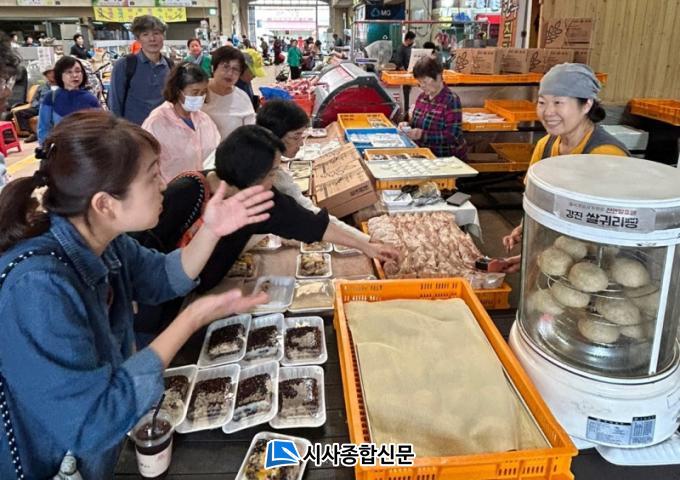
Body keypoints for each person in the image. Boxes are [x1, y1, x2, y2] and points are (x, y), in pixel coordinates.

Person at [0, 110, 274, 478]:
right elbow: (93, 423)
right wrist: (191, 319)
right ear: (105, 203)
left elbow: (161, 276)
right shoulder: (38, 287)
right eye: (152, 176)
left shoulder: (101, 239)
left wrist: (211, 230)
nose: (163, 185)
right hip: (43, 462)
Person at [145, 125, 398, 293]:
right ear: (249, 175)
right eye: (272, 173)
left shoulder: (259, 197)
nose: (274, 180)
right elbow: (143, 261)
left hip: (205, 294)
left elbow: (311, 224)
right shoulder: (186, 193)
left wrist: (366, 246)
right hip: (165, 305)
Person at [501, 63, 630, 272]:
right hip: (553, 261)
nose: (548, 112)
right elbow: (537, 200)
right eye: (542, 102)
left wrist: (540, 257)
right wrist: (526, 230)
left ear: (586, 105)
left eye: (558, 102)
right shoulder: (546, 145)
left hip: (594, 268)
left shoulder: (606, 156)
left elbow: (604, 231)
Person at [256, 99, 372, 243]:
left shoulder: (264, 158)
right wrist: (365, 241)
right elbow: (310, 215)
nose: (301, 143)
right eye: (296, 136)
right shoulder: (268, 174)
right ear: (274, 137)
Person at [142, 63, 220, 183]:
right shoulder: (156, 123)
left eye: (203, 92)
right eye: (195, 92)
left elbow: (215, 152)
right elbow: (146, 165)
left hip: (202, 188)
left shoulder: (204, 120)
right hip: (170, 191)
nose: (200, 97)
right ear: (178, 91)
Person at [108, 15, 173, 125]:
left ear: (163, 36)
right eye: (145, 34)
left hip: (164, 129)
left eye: (156, 33)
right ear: (138, 39)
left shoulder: (170, 65)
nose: (152, 39)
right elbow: (115, 104)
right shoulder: (124, 65)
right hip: (135, 130)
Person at [399, 57, 467, 159]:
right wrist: (406, 126)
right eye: (419, 82)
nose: (422, 86)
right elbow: (415, 123)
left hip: (445, 158)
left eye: (425, 82)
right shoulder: (422, 98)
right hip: (424, 155)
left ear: (438, 76)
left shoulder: (451, 100)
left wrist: (422, 135)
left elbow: (452, 136)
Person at [37, 56, 100, 146]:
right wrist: (45, 148)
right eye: (69, 72)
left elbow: (100, 128)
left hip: (86, 149)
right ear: (60, 74)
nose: (74, 75)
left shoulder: (90, 98)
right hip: (60, 150)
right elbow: (43, 128)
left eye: (78, 71)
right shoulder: (51, 97)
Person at [201, 46, 255, 141]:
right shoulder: (198, 91)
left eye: (236, 69)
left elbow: (250, 132)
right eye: (225, 67)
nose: (230, 73)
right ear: (213, 68)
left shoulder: (242, 98)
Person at [13, 64, 55, 143]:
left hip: (51, 108)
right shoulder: (43, 87)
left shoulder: (60, 86)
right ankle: (32, 134)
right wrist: (35, 105)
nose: (51, 75)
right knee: (19, 113)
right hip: (38, 107)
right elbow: (35, 98)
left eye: (53, 72)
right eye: (48, 73)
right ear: (46, 76)